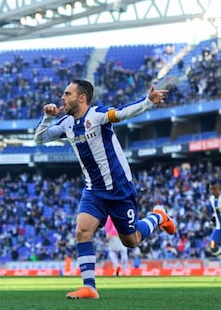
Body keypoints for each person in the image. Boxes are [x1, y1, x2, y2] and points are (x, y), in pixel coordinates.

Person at [34, 79, 176, 299]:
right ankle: (89, 287)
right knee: (82, 231)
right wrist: (47, 118)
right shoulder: (66, 123)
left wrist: (148, 102)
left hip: (119, 189)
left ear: (82, 98)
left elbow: (122, 113)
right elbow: (39, 138)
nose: (63, 98)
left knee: (131, 240)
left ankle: (158, 216)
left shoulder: (98, 115)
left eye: (67, 94)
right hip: (93, 190)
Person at [205, 180, 221, 257]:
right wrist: (213, 219)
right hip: (219, 228)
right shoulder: (211, 199)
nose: (212, 191)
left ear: (219, 188)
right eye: (211, 189)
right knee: (212, 246)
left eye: (214, 189)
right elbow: (215, 212)